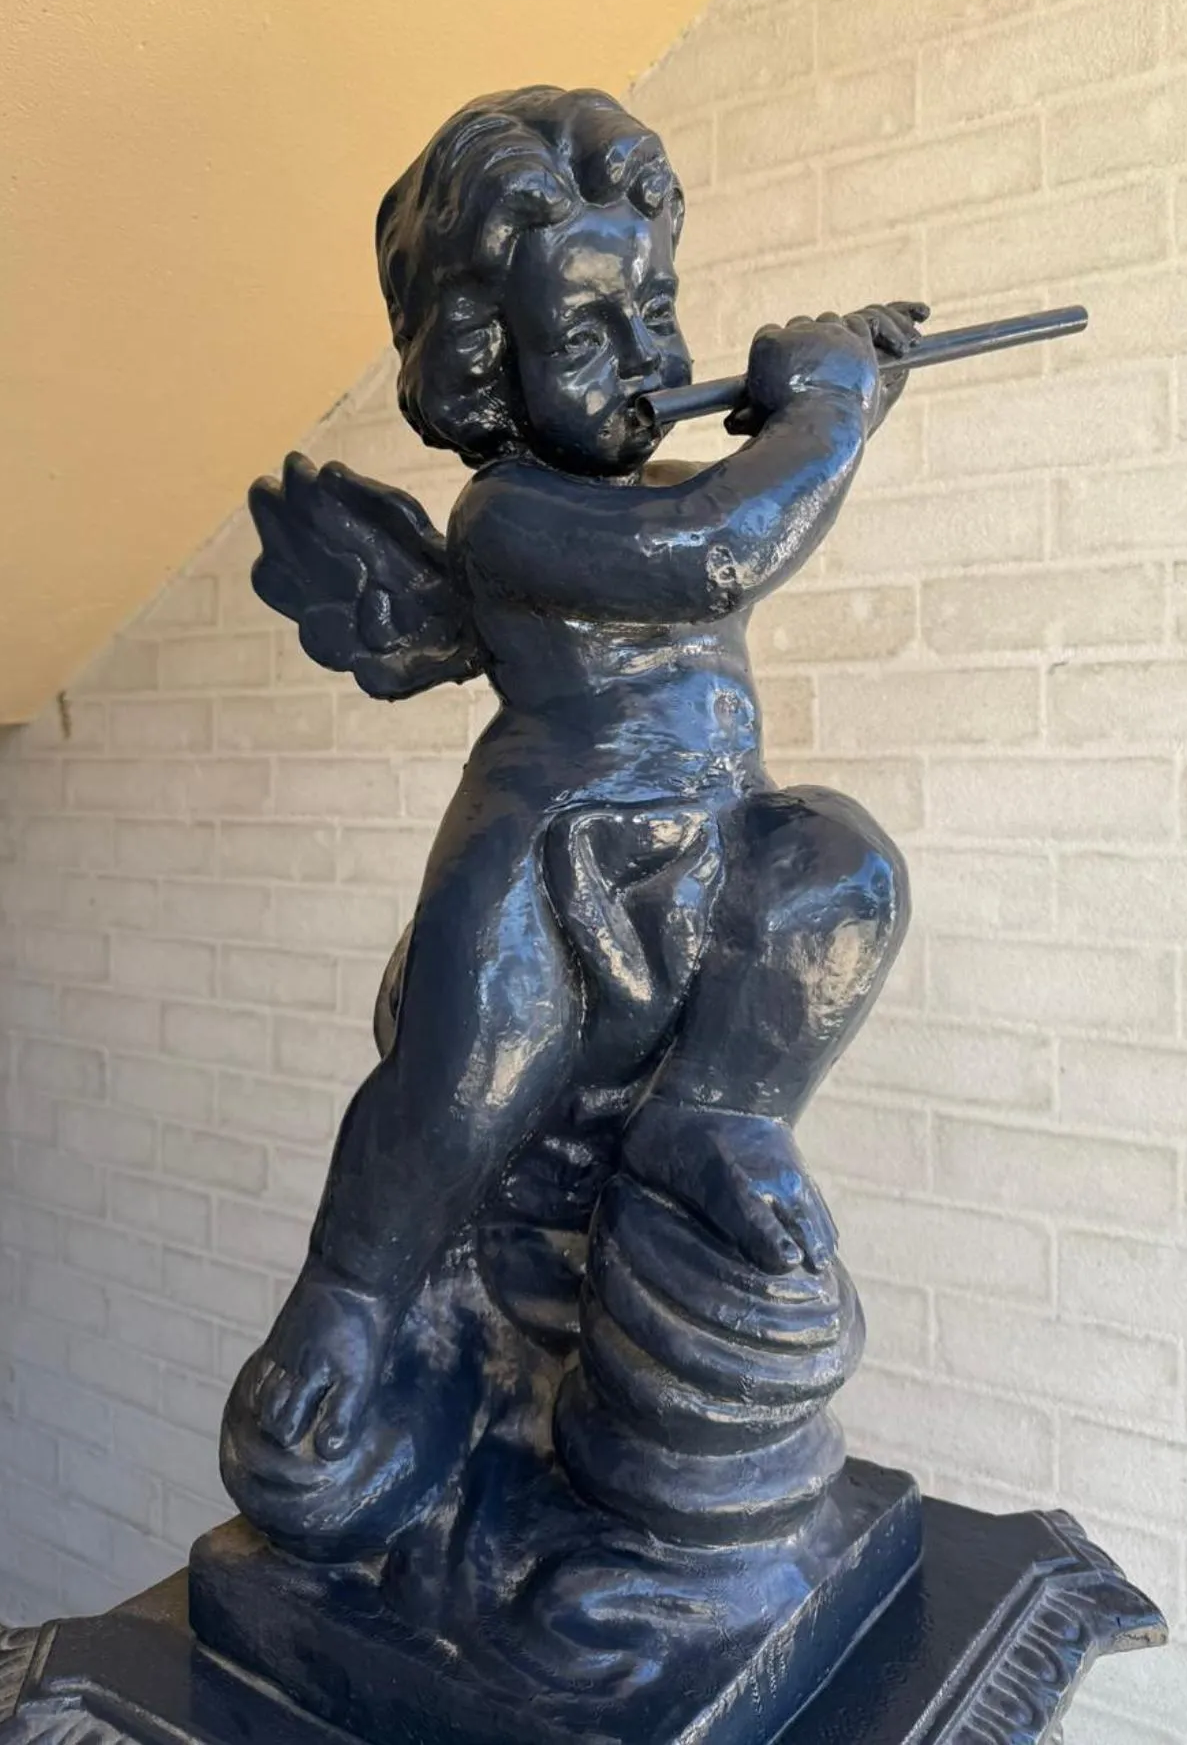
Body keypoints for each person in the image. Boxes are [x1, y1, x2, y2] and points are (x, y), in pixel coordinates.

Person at [223, 86, 918, 1552]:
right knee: (462, 1072)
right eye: (595, 334)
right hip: (555, 867)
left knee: (844, 870)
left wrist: (850, 388)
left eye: (657, 314)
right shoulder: (513, 520)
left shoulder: (670, 477)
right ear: (487, 370)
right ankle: (347, 1301)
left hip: (713, 859)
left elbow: (733, 501)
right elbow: (719, 553)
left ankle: (712, 1122)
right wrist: (831, 408)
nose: (654, 361)